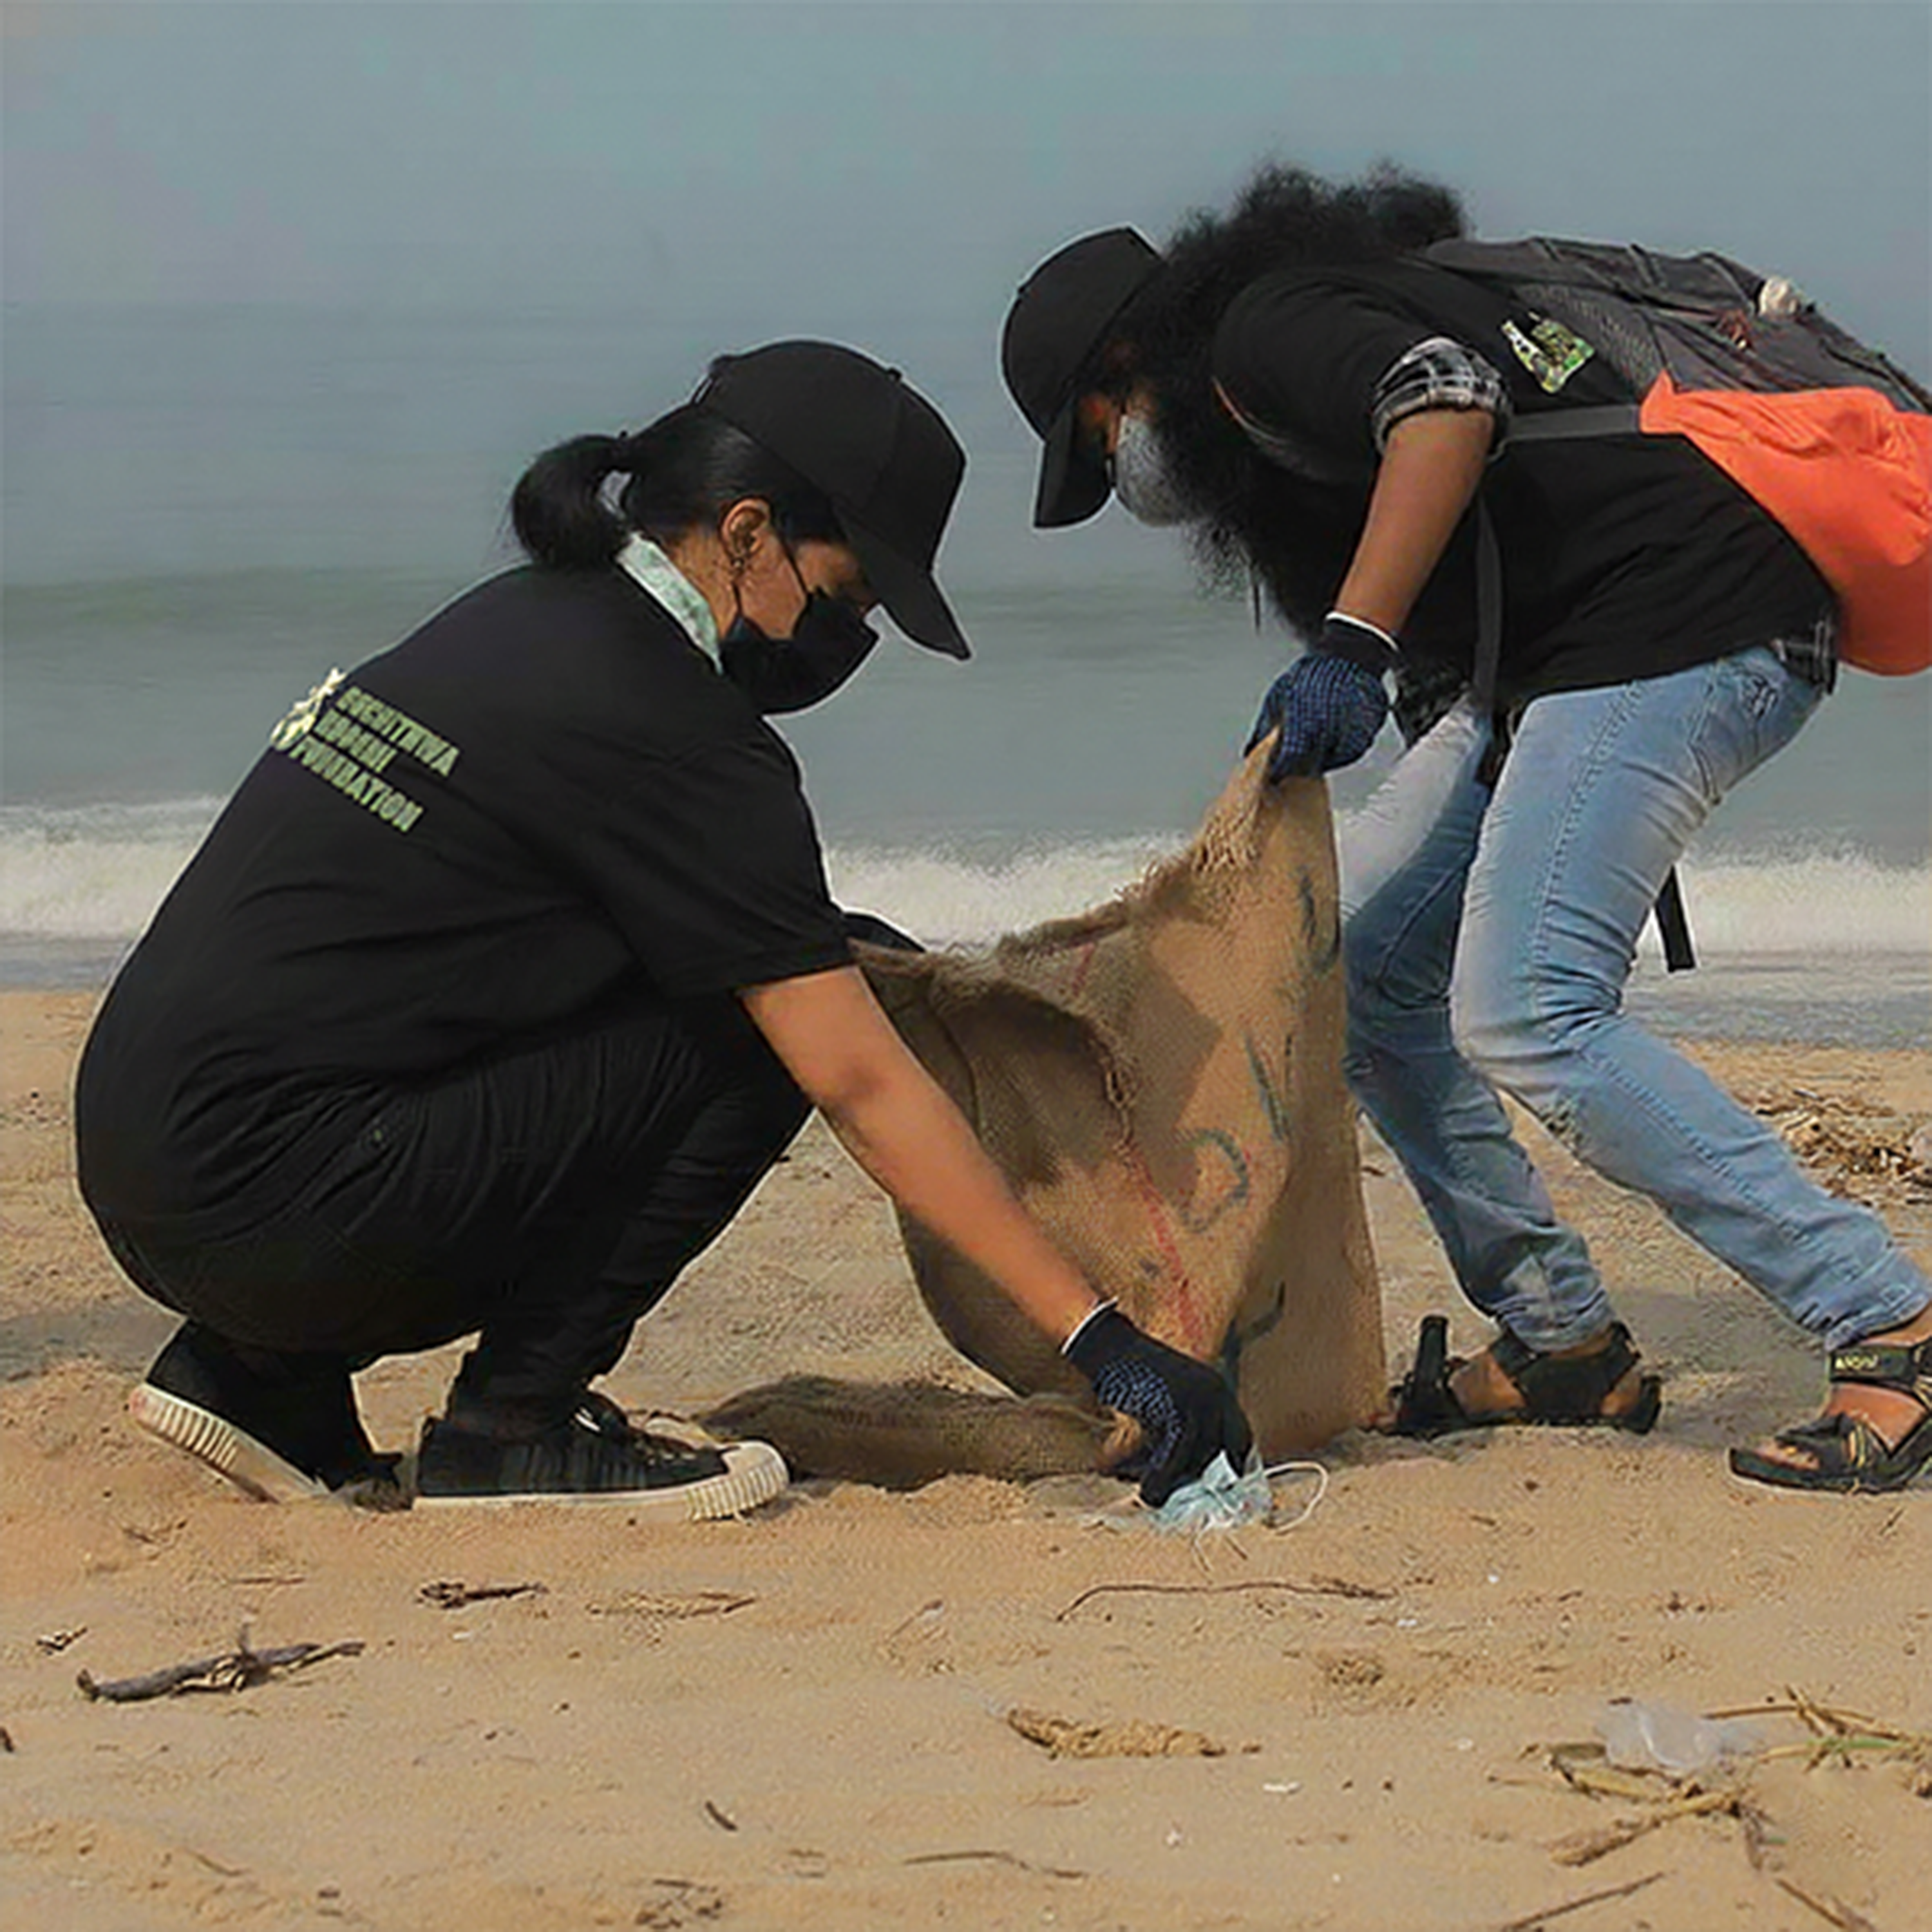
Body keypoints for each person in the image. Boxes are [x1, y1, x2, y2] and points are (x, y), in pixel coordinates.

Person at [75, 340, 1252, 1514]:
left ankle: (258, 1380)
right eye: (845, 597)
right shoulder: (686, 737)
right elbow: (855, 1080)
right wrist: (1105, 1346)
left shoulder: (523, 618)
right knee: (761, 1027)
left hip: (150, 1164)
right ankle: (515, 1420)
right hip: (279, 1209)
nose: (850, 641)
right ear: (745, 532)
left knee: (759, 959)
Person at [999, 166, 1932, 1494]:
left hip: (1687, 623)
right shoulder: (1311, 332)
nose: (1123, 475)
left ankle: (1890, 1318)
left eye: (1099, 438)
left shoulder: (1265, 331)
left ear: (1132, 363)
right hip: (1582, 657)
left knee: (1530, 1011)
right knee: (1368, 978)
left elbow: (1446, 400)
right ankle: (1562, 1339)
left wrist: (1351, 646)